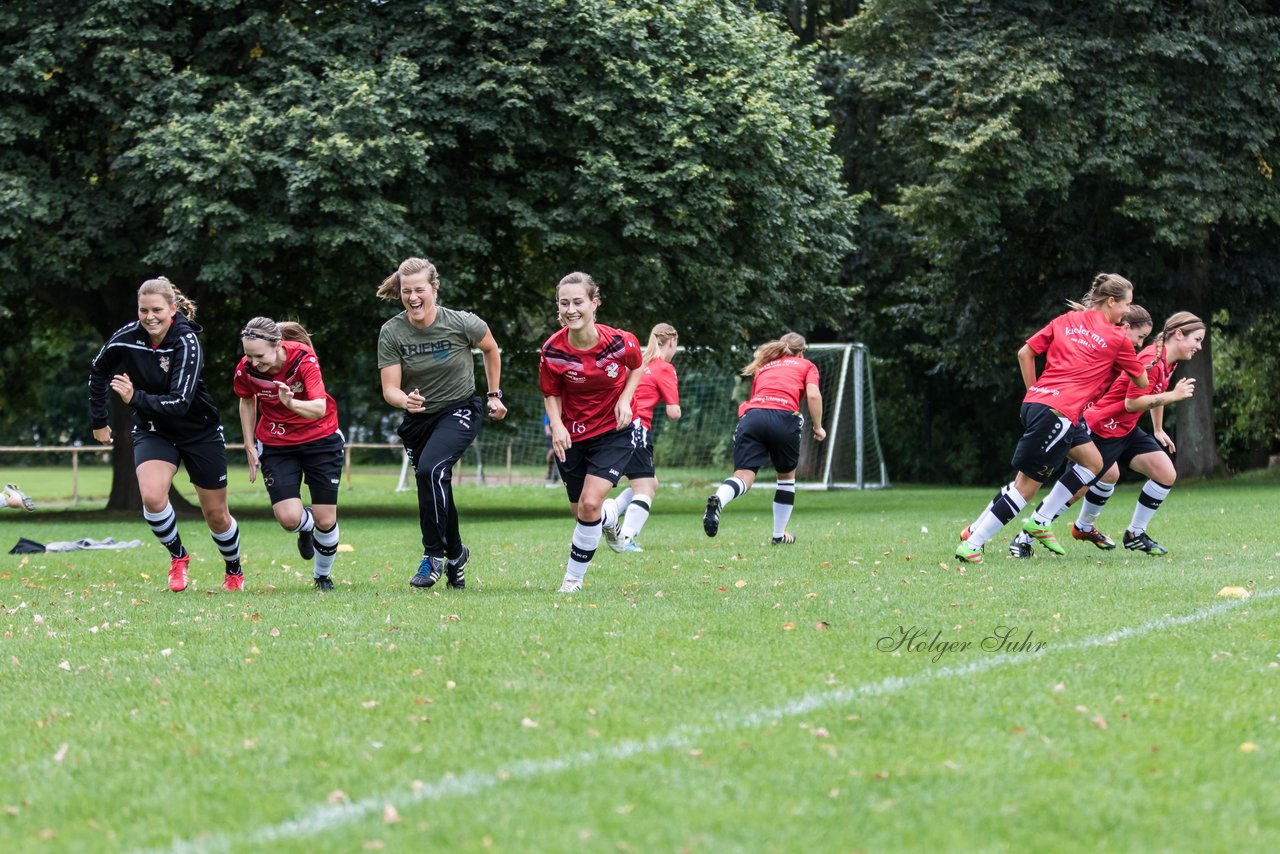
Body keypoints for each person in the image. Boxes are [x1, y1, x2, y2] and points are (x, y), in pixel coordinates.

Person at [955, 273, 1148, 564]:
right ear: (1111, 302)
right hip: (1058, 414)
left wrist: (1034, 392)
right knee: (1025, 488)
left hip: (1039, 404)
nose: (1127, 313)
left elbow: (1025, 353)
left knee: (1094, 463)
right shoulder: (1117, 338)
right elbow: (1143, 381)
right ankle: (974, 545)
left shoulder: (1065, 320)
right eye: (1126, 305)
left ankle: (1011, 525)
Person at [89, 276, 244, 592]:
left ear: (173, 308)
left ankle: (234, 568)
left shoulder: (186, 342)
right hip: (153, 430)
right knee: (152, 496)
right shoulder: (127, 337)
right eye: (143, 310)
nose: (149, 317)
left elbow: (179, 402)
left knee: (216, 515)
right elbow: (98, 370)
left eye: (157, 309)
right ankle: (178, 557)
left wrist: (135, 399)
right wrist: (99, 421)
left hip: (199, 431)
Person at [377, 257, 507, 590]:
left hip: (460, 409)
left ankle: (433, 555)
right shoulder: (392, 331)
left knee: (429, 472)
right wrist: (404, 400)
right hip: (418, 419)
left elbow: (491, 349)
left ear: (434, 288)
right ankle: (456, 556)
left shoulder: (463, 323)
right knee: (438, 484)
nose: (413, 297)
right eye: (407, 291)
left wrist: (494, 394)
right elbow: (390, 388)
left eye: (420, 289)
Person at [1003, 304, 1154, 557]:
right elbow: (1122, 401)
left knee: (1105, 473)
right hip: (1077, 419)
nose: (1139, 345)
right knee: (1032, 483)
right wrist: (1171, 395)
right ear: (1125, 327)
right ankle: (1024, 533)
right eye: (1139, 337)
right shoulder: (1114, 346)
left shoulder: (1110, 345)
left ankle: (1078, 526)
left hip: (1079, 419)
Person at [1068, 312, 1204, 556]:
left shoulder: (1168, 360)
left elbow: (1156, 393)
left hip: (1126, 429)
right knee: (1076, 489)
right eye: (1197, 339)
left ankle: (1134, 534)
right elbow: (1133, 403)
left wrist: (1159, 429)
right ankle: (1029, 531)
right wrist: (1174, 396)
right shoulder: (1151, 360)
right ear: (1179, 334)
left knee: (1165, 473)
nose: (1199, 346)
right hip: (1103, 426)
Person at [540, 272, 643, 593]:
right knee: (583, 513)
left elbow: (637, 366)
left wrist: (626, 400)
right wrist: (556, 426)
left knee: (588, 505)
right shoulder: (552, 350)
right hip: (572, 435)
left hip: (614, 430)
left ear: (594, 303)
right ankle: (610, 518)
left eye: (578, 302)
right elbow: (551, 392)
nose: (571, 309)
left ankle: (572, 580)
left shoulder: (620, 341)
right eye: (564, 303)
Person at [234, 317, 345, 590]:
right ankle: (306, 529)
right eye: (248, 355)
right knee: (289, 519)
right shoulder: (246, 369)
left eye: (259, 355)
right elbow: (246, 400)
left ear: (277, 345)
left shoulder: (303, 359)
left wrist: (290, 402)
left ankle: (322, 577)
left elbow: (319, 408)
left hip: (321, 438)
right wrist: (249, 444)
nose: (253, 361)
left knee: (326, 519)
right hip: (276, 443)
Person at [702, 332, 825, 544]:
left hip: (753, 417)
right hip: (784, 417)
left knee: (744, 477)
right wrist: (818, 427)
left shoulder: (764, 367)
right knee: (786, 478)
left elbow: (759, 398)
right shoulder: (807, 366)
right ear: (802, 352)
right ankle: (778, 535)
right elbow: (813, 395)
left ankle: (718, 500)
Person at [608, 323, 682, 553]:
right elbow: (673, 412)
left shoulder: (638, 363)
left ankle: (610, 511)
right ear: (671, 342)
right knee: (645, 488)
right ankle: (625, 538)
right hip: (636, 426)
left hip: (614, 424)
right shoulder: (664, 368)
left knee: (650, 482)